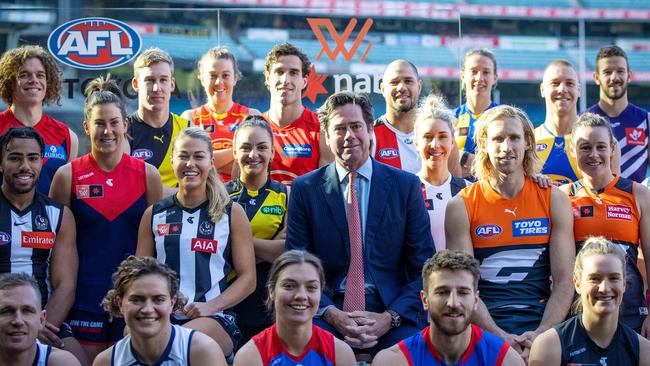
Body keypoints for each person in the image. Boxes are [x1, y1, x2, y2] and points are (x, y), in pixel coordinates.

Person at [285, 91, 434, 355]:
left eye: (356, 126)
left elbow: (424, 267)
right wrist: (331, 313)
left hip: (391, 308)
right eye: (339, 129)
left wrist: (390, 317)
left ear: (370, 130)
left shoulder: (405, 186)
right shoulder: (304, 189)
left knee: (413, 351)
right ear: (327, 137)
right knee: (308, 347)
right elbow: (297, 265)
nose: (349, 136)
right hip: (326, 309)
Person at [446, 105, 575, 360]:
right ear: (484, 143)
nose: (507, 147)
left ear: (528, 142)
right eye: (498, 138)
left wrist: (541, 335)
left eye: (514, 138)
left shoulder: (554, 200)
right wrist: (501, 339)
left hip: (541, 324)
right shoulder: (461, 206)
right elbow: (464, 289)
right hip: (483, 328)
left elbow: (564, 281)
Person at [49, 75, 163, 361]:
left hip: (134, 302)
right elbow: (54, 247)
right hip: (83, 301)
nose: (108, 131)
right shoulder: (67, 176)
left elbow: (158, 247)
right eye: (100, 123)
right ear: (87, 127)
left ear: (125, 125)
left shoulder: (148, 175)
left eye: (114, 122)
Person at [136, 126, 255, 359]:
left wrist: (211, 306)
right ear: (172, 160)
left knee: (178, 343)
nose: (190, 163)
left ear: (211, 162)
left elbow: (248, 279)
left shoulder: (231, 213)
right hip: (161, 316)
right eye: (183, 156)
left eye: (198, 156)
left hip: (214, 317)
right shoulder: (154, 214)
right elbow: (139, 275)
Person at [0, 127, 88, 365]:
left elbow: (65, 285)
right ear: (1, 163)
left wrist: (36, 325)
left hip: (45, 321)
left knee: (76, 361)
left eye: (33, 158)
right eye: (15, 158)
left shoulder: (59, 215)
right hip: (2, 318)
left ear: (41, 163)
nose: (25, 167)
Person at [560, 113, 650, 334]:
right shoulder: (562, 196)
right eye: (585, 147)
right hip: (578, 314)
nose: (594, 155)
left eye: (601, 147)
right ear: (572, 150)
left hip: (629, 313)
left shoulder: (638, 194)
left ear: (612, 149)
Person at [372, 250, 524, 365]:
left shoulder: (504, 360)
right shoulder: (395, 360)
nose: (453, 303)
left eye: (463, 292)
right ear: (425, 300)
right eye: (442, 292)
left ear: (476, 300)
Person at [529, 237, 650, 365]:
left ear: (624, 284)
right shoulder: (550, 346)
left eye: (614, 278)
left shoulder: (643, 351)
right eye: (595, 279)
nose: (604, 288)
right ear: (577, 284)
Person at [93, 256, 227, 366]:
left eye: (158, 299)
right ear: (119, 303)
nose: (147, 309)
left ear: (172, 303)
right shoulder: (107, 361)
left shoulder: (202, 351)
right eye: (136, 300)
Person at [226, 115, 288, 344]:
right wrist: (268, 247)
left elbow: (284, 252)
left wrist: (237, 241)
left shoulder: (287, 195)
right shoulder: (219, 196)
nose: (254, 155)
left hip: (271, 302)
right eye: (245, 147)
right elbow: (216, 247)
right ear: (234, 152)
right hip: (227, 300)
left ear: (272, 152)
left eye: (262, 147)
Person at [234, 250, 355, 365]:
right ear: (271, 291)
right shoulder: (250, 356)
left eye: (311, 287)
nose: (301, 296)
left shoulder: (340, 353)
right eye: (289, 286)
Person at [0, 45, 78, 195]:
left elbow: (65, 196)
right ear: (9, 82)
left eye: (40, 75)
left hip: (50, 218)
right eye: (24, 75)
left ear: (49, 83)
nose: (33, 80)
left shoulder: (67, 136)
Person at [181, 46, 260, 183]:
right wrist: (239, 152)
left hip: (240, 199)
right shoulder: (190, 118)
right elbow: (190, 166)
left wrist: (206, 161)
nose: (219, 82)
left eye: (225, 75)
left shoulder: (251, 116)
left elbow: (256, 167)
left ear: (235, 78)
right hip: (202, 199)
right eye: (212, 75)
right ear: (202, 78)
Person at [262, 43, 333, 185]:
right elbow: (238, 189)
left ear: (304, 81)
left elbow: (327, 189)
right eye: (279, 72)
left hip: (303, 208)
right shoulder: (253, 127)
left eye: (293, 73)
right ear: (268, 78)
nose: (285, 80)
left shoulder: (321, 128)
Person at [126, 47, 189, 196]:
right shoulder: (122, 130)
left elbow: (200, 188)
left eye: (163, 80)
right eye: (149, 80)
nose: (157, 88)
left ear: (172, 84)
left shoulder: (186, 129)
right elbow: (123, 187)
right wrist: (180, 195)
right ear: (136, 84)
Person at [414, 94, 469, 252]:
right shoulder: (405, 190)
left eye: (442, 137)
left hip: (458, 276)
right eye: (428, 137)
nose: (435, 144)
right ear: (416, 142)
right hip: (419, 276)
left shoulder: (468, 191)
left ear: (452, 142)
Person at [587, 45, 649, 183]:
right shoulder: (582, 122)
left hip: (635, 203)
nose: (614, 77)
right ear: (596, 77)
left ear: (629, 75)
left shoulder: (646, 121)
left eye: (620, 71)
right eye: (607, 72)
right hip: (595, 203)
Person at [0, 273, 80, 366]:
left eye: (27, 311)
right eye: (7, 311)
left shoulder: (61, 363)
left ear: (41, 320)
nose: (18, 321)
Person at [534, 60, 583, 185]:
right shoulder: (527, 142)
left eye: (570, 83)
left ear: (579, 90)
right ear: (542, 89)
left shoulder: (594, 141)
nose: (562, 89)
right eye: (555, 83)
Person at [454, 48, 499, 179]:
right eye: (474, 71)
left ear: (495, 78)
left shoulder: (505, 118)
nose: (479, 78)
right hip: (457, 196)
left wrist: (463, 157)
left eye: (486, 72)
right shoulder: (450, 119)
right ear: (462, 75)